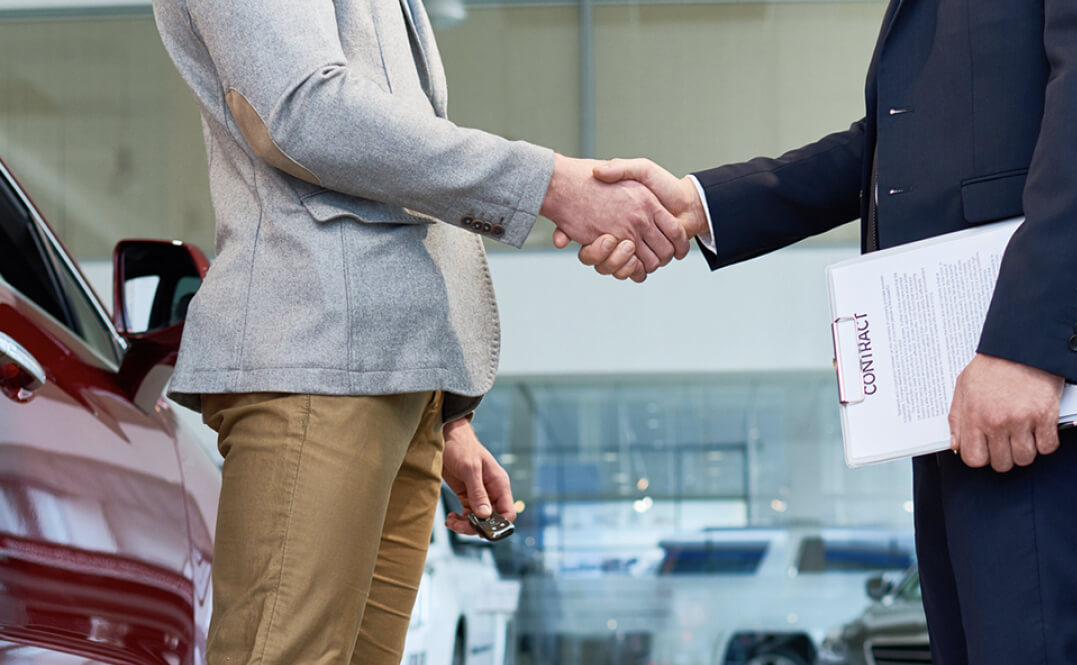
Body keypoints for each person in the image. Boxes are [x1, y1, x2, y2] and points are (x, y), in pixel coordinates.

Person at [561, 0, 1077, 661]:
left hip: (1021, 380)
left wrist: (1027, 346)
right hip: (961, 381)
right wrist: (701, 204)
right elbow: (894, 142)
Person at [148, 1, 686, 663]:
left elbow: (387, 153)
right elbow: (304, 111)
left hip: (394, 378)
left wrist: (443, 415)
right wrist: (546, 183)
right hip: (319, 350)